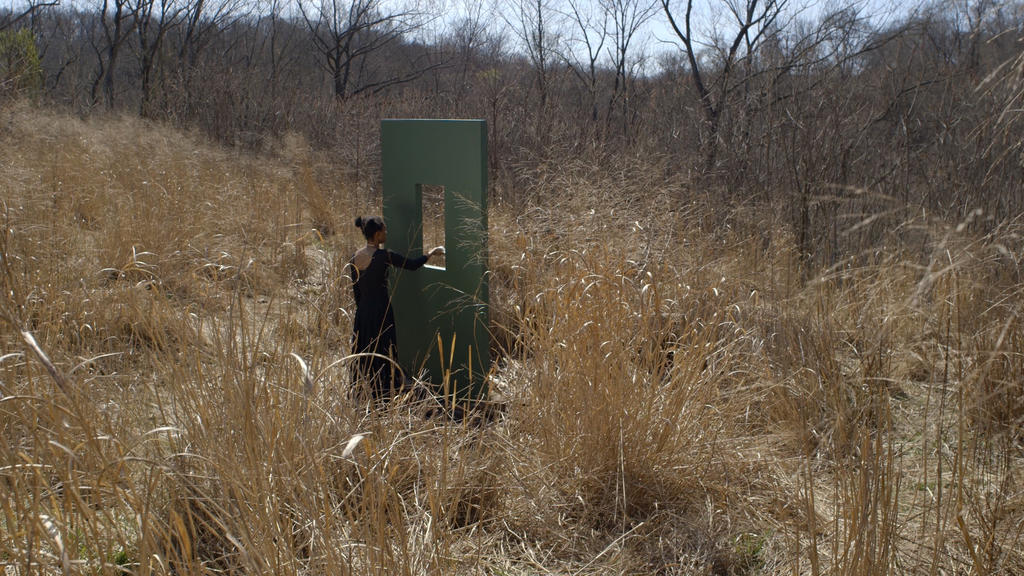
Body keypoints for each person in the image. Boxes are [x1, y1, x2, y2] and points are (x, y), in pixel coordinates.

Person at [348, 216, 444, 401]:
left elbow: (356, 291)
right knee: (384, 350)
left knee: (364, 351)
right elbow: (413, 264)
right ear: (377, 235)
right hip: (381, 312)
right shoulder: (384, 256)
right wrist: (431, 252)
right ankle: (384, 391)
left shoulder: (355, 257)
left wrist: (362, 312)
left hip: (363, 313)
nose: (386, 234)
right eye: (384, 231)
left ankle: (363, 391)